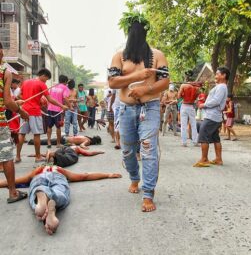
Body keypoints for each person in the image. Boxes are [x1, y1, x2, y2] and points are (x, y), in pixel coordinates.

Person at [108, 18, 169, 212]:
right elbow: (112, 83)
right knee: (127, 151)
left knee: (148, 149)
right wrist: (137, 77)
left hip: (149, 108)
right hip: (126, 109)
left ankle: (148, 193)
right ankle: (134, 178)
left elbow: (165, 82)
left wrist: (146, 89)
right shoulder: (119, 56)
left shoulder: (157, 55)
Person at [0, 165, 122, 235]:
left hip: (39, 177)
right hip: (58, 177)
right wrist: (108, 174)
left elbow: (11, 182)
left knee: (35, 191)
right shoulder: (59, 169)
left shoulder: (37, 170)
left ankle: (41, 195)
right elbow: (84, 176)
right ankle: (53, 201)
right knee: (61, 193)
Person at [16, 68, 68, 163]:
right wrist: (62, 106)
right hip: (34, 112)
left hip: (24, 111)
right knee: (36, 134)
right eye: (46, 79)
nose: (46, 81)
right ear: (43, 75)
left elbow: (19, 96)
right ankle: (38, 157)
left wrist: (30, 99)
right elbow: (50, 99)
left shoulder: (26, 82)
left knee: (21, 134)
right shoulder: (41, 84)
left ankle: (18, 157)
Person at [0, 41, 29, 203]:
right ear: (2, 53)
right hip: (0, 122)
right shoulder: (5, 71)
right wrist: (22, 112)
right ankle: (12, 193)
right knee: (6, 156)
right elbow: (8, 101)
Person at [194, 66, 229, 167]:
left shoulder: (221, 87)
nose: (216, 75)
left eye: (218, 74)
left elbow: (216, 101)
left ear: (224, 75)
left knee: (203, 136)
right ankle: (218, 159)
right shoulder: (221, 86)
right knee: (215, 138)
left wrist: (203, 105)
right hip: (214, 116)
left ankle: (204, 159)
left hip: (212, 116)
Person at [47, 75, 70, 148]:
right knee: (58, 127)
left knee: (49, 126)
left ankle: (49, 142)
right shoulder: (65, 88)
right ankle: (58, 143)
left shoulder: (53, 87)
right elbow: (65, 98)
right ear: (66, 81)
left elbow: (49, 97)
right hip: (58, 110)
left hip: (50, 108)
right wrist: (70, 106)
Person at [178, 80, 200, 146]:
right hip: (191, 106)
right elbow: (196, 96)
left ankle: (184, 142)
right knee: (193, 125)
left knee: (183, 125)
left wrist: (183, 95)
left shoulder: (183, 86)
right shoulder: (197, 88)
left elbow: (179, 97)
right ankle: (195, 142)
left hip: (184, 105)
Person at [28, 135, 102, 149]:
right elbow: (82, 145)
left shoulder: (86, 136)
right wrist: (85, 147)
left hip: (66, 137)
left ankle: (32, 141)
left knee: (48, 141)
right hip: (65, 140)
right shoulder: (87, 140)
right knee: (46, 141)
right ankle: (32, 142)